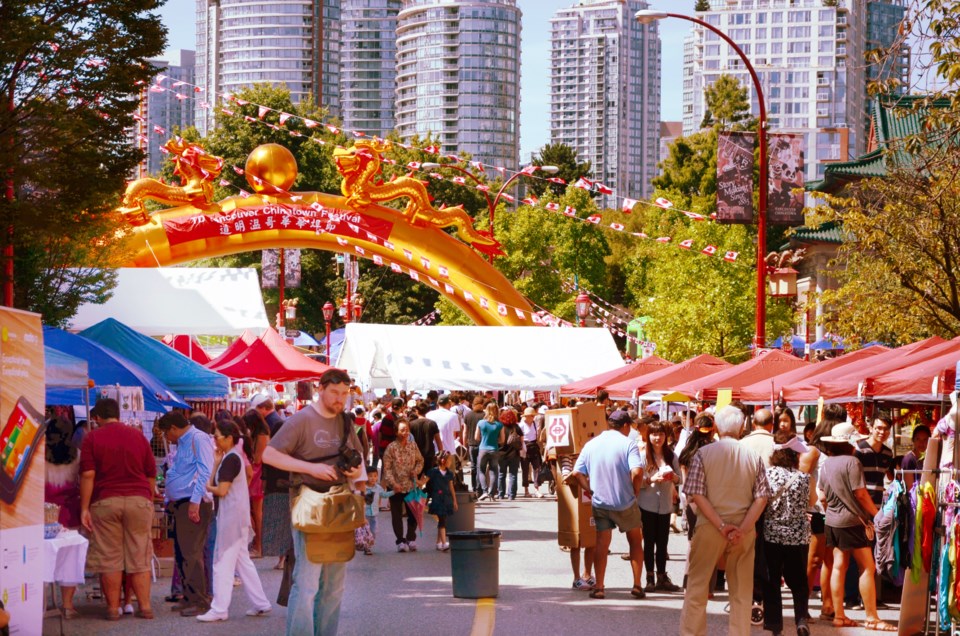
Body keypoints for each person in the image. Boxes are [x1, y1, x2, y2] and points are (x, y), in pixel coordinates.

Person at [262, 368, 367, 636]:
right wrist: (310, 469)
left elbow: (358, 460)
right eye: (334, 392)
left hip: (341, 505)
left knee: (335, 585)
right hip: (309, 506)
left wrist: (357, 480)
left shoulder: (345, 421)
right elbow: (269, 455)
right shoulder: (300, 420)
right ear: (320, 389)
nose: (339, 399)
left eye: (344, 394)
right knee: (307, 583)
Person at [679, 405, 770, 636]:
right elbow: (761, 498)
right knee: (741, 592)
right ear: (741, 428)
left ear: (717, 427)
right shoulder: (753, 456)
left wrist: (720, 525)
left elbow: (695, 494)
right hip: (744, 528)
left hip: (709, 527)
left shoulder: (703, 454)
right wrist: (743, 528)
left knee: (697, 588)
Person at [79, 398, 156, 621]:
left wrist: (85, 508)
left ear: (99, 417)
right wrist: (147, 500)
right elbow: (151, 473)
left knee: (109, 557)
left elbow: (88, 475)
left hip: (106, 501)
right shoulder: (138, 436)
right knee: (139, 555)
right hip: (138, 500)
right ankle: (145, 607)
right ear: (118, 415)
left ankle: (113, 609)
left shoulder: (92, 438)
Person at [817, 423, 893, 631]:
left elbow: (822, 496)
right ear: (850, 442)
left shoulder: (827, 463)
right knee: (867, 566)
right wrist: (878, 516)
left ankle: (839, 615)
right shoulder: (852, 462)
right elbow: (860, 494)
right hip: (852, 521)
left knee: (839, 566)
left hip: (832, 521)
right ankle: (872, 617)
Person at [196, 420, 272, 622]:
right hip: (237, 517)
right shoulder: (231, 457)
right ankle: (260, 603)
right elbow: (220, 485)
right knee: (242, 562)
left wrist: (206, 486)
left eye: (217, 436)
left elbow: (220, 490)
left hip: (232, 518)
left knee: (222, 563)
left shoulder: (231, 459)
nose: (215, 440)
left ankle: (220, 608)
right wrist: (214, 463)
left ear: (229, 438)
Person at [568, 410, 645, 600]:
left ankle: (600, 587)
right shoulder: (629, 444)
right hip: (625, 501)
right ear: (626, 426)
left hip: (601, 502)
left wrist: (590, 489)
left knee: (602, 543)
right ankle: (637, 585)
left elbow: (577, 473)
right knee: (635, 540)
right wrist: (635, 491)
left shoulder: (591, 444)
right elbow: (637, 472)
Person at [158, 410, 215, 617]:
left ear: (173, 428)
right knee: (182, 552)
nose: (166, 437)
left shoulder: (199, 439)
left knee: (191, 552)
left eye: (166, 432)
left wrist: (194, 502)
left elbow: (204, 471)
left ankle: (200, 600)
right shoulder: (183, 442)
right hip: (181, 502)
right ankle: (189, 596)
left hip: (193, 501)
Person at [762, 430, 816, 636]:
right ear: (794, 455)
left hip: (772, 535)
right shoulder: (804, 477)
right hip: (798, 536)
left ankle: (775, 626)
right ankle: (801, 620)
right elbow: (811, 502)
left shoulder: (767, 475)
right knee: (798, 582)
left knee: (772, 581)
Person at [44, 416, 83, 619]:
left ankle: (39, 604)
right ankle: (67, 605)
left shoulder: (37, 455)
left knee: (39, 558)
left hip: (43, 513)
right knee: (70, 559)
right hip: (69, 512)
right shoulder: (77, 455)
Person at [638, 420, 682, 593]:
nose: (658, 438)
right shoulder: (643, 456)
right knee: (649, 542)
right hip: (647, 504)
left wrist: (674, 478)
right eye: (654, 434)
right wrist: (651, 479)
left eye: (661, 434)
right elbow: (635, 481)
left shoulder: (671, 456)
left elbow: (680, 478)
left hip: (664, 505)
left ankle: (662, 577)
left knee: (663, 542)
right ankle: (649, 578)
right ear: (648, 436)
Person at [380, 420, 424, 552]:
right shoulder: (391, 448)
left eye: (407, 429)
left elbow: (420, 461)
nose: (405, 433)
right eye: (402, 430)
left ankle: (411, 538)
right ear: (396, 432)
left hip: (412, 485)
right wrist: (393, 484)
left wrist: (415, 471)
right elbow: (386, 469)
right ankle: (400, 540)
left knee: (414, 514)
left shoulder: (413, 445)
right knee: (397, 515)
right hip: (396, 487)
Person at [241, 409, 270, 559]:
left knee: (257, 512)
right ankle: (257, 543)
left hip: (257, 474)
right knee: (255, 511)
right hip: (256, 473)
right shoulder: (260, 434)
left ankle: (259, 546)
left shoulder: (261, 435)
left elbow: (258, 459)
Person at [426, 450, 458, 551]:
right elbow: (424, 481)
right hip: (437, 499)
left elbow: (451, 487)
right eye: (449, 460)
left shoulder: (449, 474)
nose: (450, 462)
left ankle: (438, 542)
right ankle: (444, 543)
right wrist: (417, 480)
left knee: (442, 521)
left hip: (446, 500)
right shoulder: (433, 472)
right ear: (443, 460)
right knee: (442, 520)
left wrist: (454, 500)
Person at [426, 395, 461, 477]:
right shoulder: (453, 416)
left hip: (434, 450)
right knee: (449, 477)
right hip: (449, 450)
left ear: (437, 403)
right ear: (448, 403)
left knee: (434, 477)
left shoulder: (429, 415)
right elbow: (455, 432)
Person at [475, 403, 504, 501]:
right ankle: (492, 493)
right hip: (494, 449)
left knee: (481, 470)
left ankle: (484, 491)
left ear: (486, 410)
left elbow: (476, 437)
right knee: (494, 471)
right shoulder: (499, 424)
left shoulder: (481, 423)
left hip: (483, 449)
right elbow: (502, 440)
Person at [362, 465, 390, 555]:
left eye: (375, 476)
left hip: (374, 514)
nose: (373, 478)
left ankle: (368, 545)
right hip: (365, 514)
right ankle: (367, 547)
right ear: (366, 477)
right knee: (365, 532)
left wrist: (394, 492)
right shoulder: (362, 488)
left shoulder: (378, 488)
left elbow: (384, 495)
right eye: (370, 476)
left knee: (374, 531)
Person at [408, 402, 441, 475]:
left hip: (416, 455)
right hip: (429, 454)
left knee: (416, 477)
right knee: (429, 478)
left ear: (417, 411)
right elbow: (438, 440)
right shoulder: (432, 423)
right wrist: (441, 453)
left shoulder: (411, 424)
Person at [498, 407, 523, 500]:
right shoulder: (516, 427)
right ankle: (511, 495)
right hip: (514, 454)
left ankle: (501, 494)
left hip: (501, 454)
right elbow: (521, 441)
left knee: (501, 474)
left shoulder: (500, 426)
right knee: (513, 474)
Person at [462, 397, 486, 492]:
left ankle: (474, 487)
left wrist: (464, 444)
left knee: (473, 466)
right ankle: (480, 487)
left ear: (473, 404)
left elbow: (465, 431)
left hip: (472, 443)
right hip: (483, 444)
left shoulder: (468, 415)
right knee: (481, 466)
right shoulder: (485, 415)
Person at [519, 406, 543, 497]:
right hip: (524, 447)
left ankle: (537, 489)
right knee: (525, 469)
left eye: (533, 416)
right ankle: (526, 490)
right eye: (531, 416)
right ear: (526, 416)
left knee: (537, 468)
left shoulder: (534, 424)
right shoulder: (521, 425)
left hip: (533, 447)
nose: (532, 417)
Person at [901, 424, 931, 491]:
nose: (921, 443)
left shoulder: (930, 459)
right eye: (918, 439)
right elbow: (910, 488)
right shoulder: (909, 460)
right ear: (913, 440)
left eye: (925, 440)